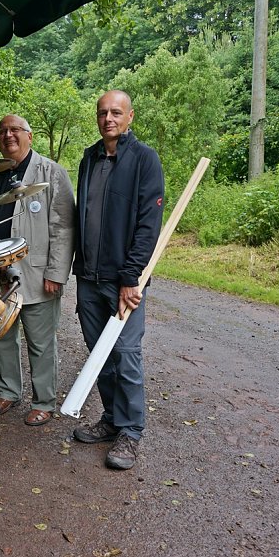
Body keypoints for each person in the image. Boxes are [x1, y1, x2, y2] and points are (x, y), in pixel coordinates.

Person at [71, 90, 165, 470]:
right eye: (102, 113)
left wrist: (131, 278)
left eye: (116, 112)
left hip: (123, 281)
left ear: (130, 117)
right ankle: (111, 419)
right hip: (89, 277)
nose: (108, 118)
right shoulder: (89, 158)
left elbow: (148, 225)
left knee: (125, 356)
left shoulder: (145, 160)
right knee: (99, 357)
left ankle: (131, 432)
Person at [0, 114, 75, 426]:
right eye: (2, 131)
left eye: (15, 130)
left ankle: (44, 400)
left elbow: (64, 227)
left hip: (37, 273)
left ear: (29, 136)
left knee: (40, 341)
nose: (8, 135)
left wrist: (56, 273)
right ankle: (8, 391)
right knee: (2, 335)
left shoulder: (50, 172)